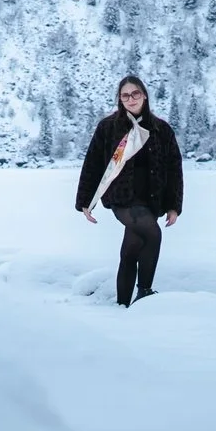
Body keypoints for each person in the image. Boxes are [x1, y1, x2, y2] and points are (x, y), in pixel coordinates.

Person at [74, 74, 183, 307]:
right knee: (153, 233)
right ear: (120, 100)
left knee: (132, 249)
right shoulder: (108, 127)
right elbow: (93, 164)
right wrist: (86, 201)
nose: (130, 99)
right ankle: (144, 293)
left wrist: (174, 206)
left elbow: (174, 169)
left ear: (144, 95)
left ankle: (123, 305)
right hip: (122, 199)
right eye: (125, 95)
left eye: (135, 94)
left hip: (152, 200)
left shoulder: (161, 129)